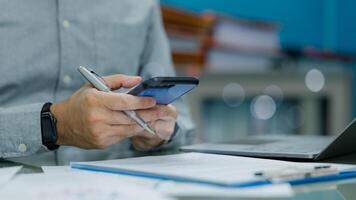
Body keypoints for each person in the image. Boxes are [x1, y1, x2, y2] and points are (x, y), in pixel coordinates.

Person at [0, 0, 194, 165]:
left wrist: (160, 132)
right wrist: (55, 126)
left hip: (122, 183)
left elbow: (182, 120)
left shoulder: (141, 4)